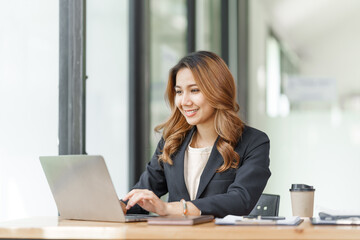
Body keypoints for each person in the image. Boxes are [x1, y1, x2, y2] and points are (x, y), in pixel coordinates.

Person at [121, 51, 271, 218]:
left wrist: (169, 209)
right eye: (179, 92)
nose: (184, 101)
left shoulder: (254, 142)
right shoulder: (172, 141)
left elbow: (240, 200)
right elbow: (143, 193)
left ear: (218, 91)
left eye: (194, 90)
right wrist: (119, 206)